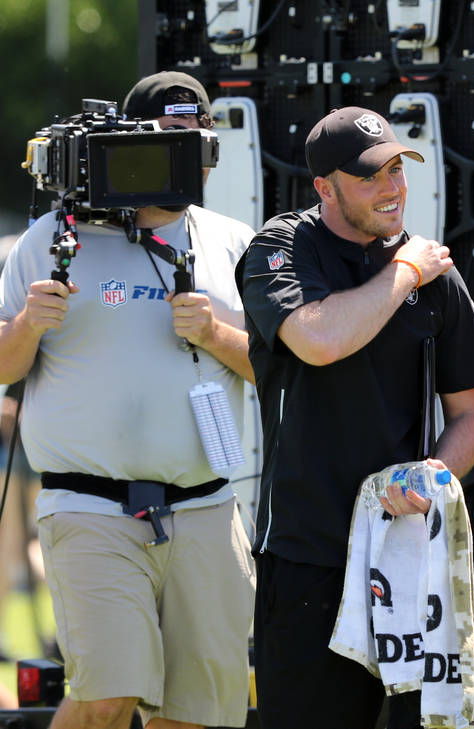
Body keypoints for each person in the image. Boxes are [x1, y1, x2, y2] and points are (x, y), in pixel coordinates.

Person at [0, 71, 257, 729]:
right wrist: (29, 324)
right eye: (167, 138)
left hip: (206, 507)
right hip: (89, 506)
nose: (183, 154)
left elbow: (278, 369)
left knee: (197, 713)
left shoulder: (234, 242)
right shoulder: (51, 239)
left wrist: (215, 334)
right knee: (108, 693)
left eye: (195, 139)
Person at [237, 106, 474, 729]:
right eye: (370, 177)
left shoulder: (434, 273)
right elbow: (320, 339)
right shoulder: (282, 246)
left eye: (398, 171)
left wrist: (433, 474)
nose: (392, 189)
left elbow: (473, 416)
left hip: (410, 557)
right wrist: (405, 271)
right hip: (308, 556)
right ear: (324, 187)